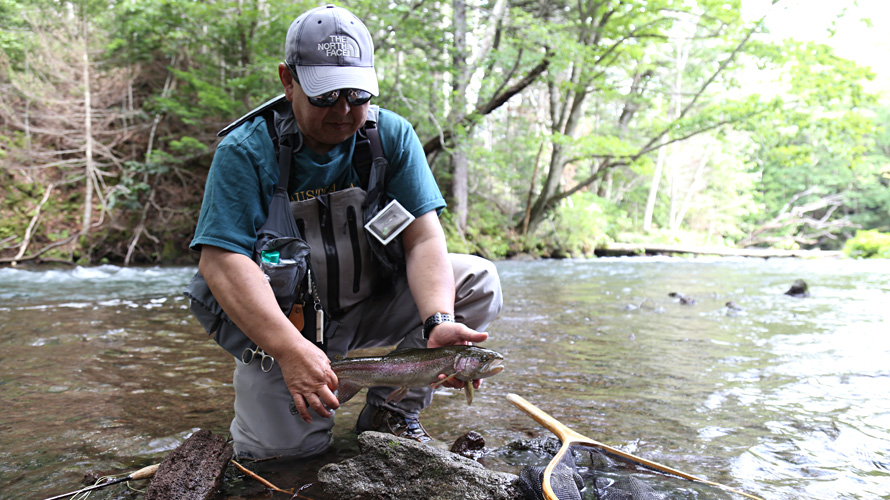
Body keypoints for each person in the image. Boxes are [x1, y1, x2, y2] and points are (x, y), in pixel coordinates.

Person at [189, 4, 502, 459]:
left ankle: (390, 413)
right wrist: (290, 350)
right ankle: (299, 394)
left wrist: (440, 321)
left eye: (357, 94)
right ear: (287, 80)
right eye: (325, 95)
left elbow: (424, 237)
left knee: (477, 281)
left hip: (370, 302)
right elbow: (221, 262)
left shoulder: (389, 137)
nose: (343, 110)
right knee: (280, 459)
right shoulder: (246, 151)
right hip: (285, 326)